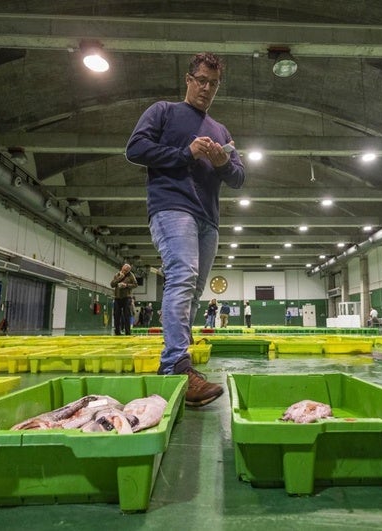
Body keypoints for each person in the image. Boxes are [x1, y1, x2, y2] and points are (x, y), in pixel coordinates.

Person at [126, 52, 246, 407]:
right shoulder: (163, 111)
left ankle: (181, 364)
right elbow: (135, 148)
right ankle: (176, 366)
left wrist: (223, 162)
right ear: (189, 80)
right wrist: (185, 153)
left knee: (193, 292)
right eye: (202, 81)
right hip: (172, 207)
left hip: (208, 218)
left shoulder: (221, 131)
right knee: (183, 276)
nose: (207, 89)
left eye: (214, 84)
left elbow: (239, 178)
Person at [110, 263, 137, 335]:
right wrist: (119, 278)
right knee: (116, 315)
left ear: (129, 271)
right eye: (123, 270)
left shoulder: (131, 275)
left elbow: (135, 285)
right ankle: (117, 332)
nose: (124, 271)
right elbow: (112, 284)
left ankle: (128, 332)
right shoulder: (117, 274)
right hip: (117, 298)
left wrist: (126, 285)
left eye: (126, 271)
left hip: (127, 298)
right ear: (122, 268)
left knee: (127, 315)